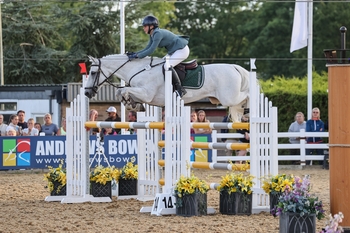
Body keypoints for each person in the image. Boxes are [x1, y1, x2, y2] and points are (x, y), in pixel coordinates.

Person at [127, 15, 189, 97]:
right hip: (174, 51)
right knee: (160, 64)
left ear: (151, 26)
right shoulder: (152, 34)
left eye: (145, 26)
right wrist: (135, 54)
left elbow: (151, 50)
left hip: (182, 50)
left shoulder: (157, 34)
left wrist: (137, 56)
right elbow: (147, 48)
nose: (143, 28)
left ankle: (180, 89)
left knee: (167, 66)